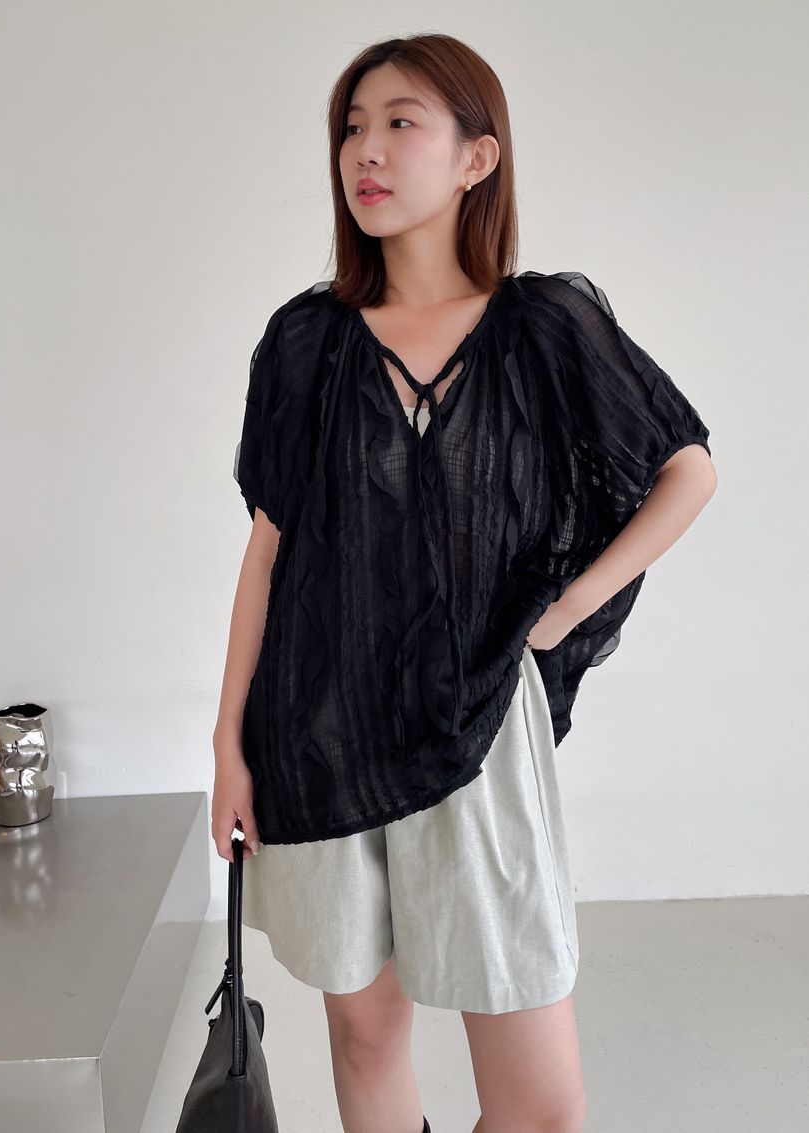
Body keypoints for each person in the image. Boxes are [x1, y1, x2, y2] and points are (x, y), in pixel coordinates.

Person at [211, 33, 717, 1133]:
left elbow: (685, 470)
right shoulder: (305, 343)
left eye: (400, 123)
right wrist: (227, 746)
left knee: (541, 1104)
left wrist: (566, 610)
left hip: (481, 727)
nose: (366, 150)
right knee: (365, 1036)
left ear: (476, 157)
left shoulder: (545, 328)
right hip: (321, 731)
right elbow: (269, 553)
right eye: (352, 127)